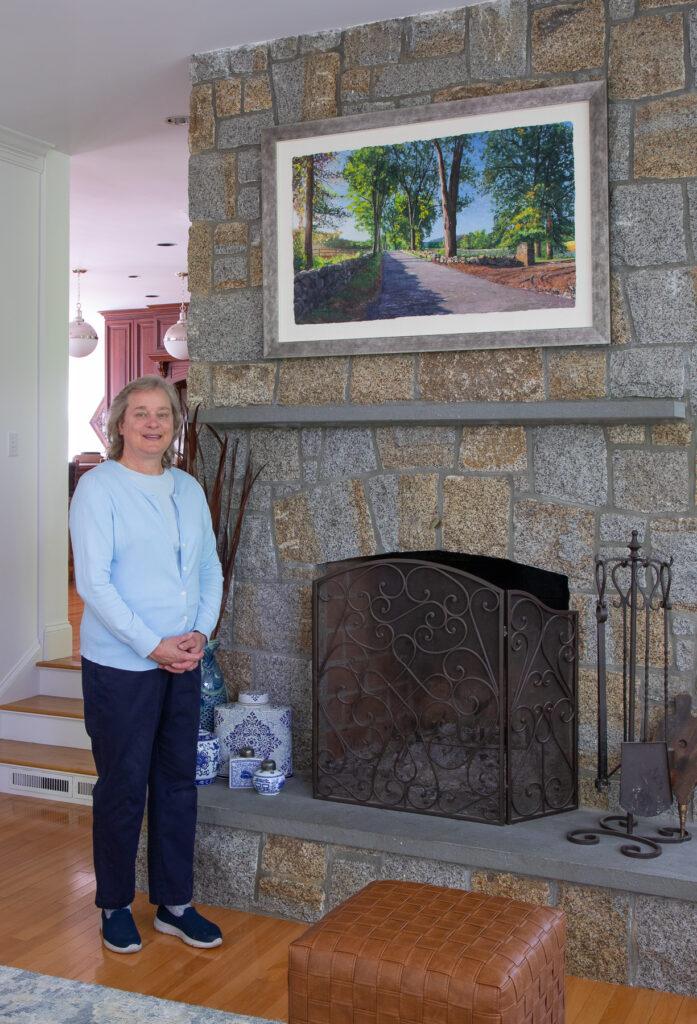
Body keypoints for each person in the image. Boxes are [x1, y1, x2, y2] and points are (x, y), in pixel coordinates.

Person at [69, 375, 224, 954]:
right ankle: (113, 904)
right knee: (123, 785)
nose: (153, 423)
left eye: (163, 414)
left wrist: (198, 635)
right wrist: (152, 645)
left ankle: (174, 903)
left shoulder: (186, 489)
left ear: (173, 426)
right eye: (140, 414)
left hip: (181, 661)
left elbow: (209, 567)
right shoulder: (99, 489)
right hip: (121, 668)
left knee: (177, 783)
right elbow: (95, 584)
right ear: (120, 426)